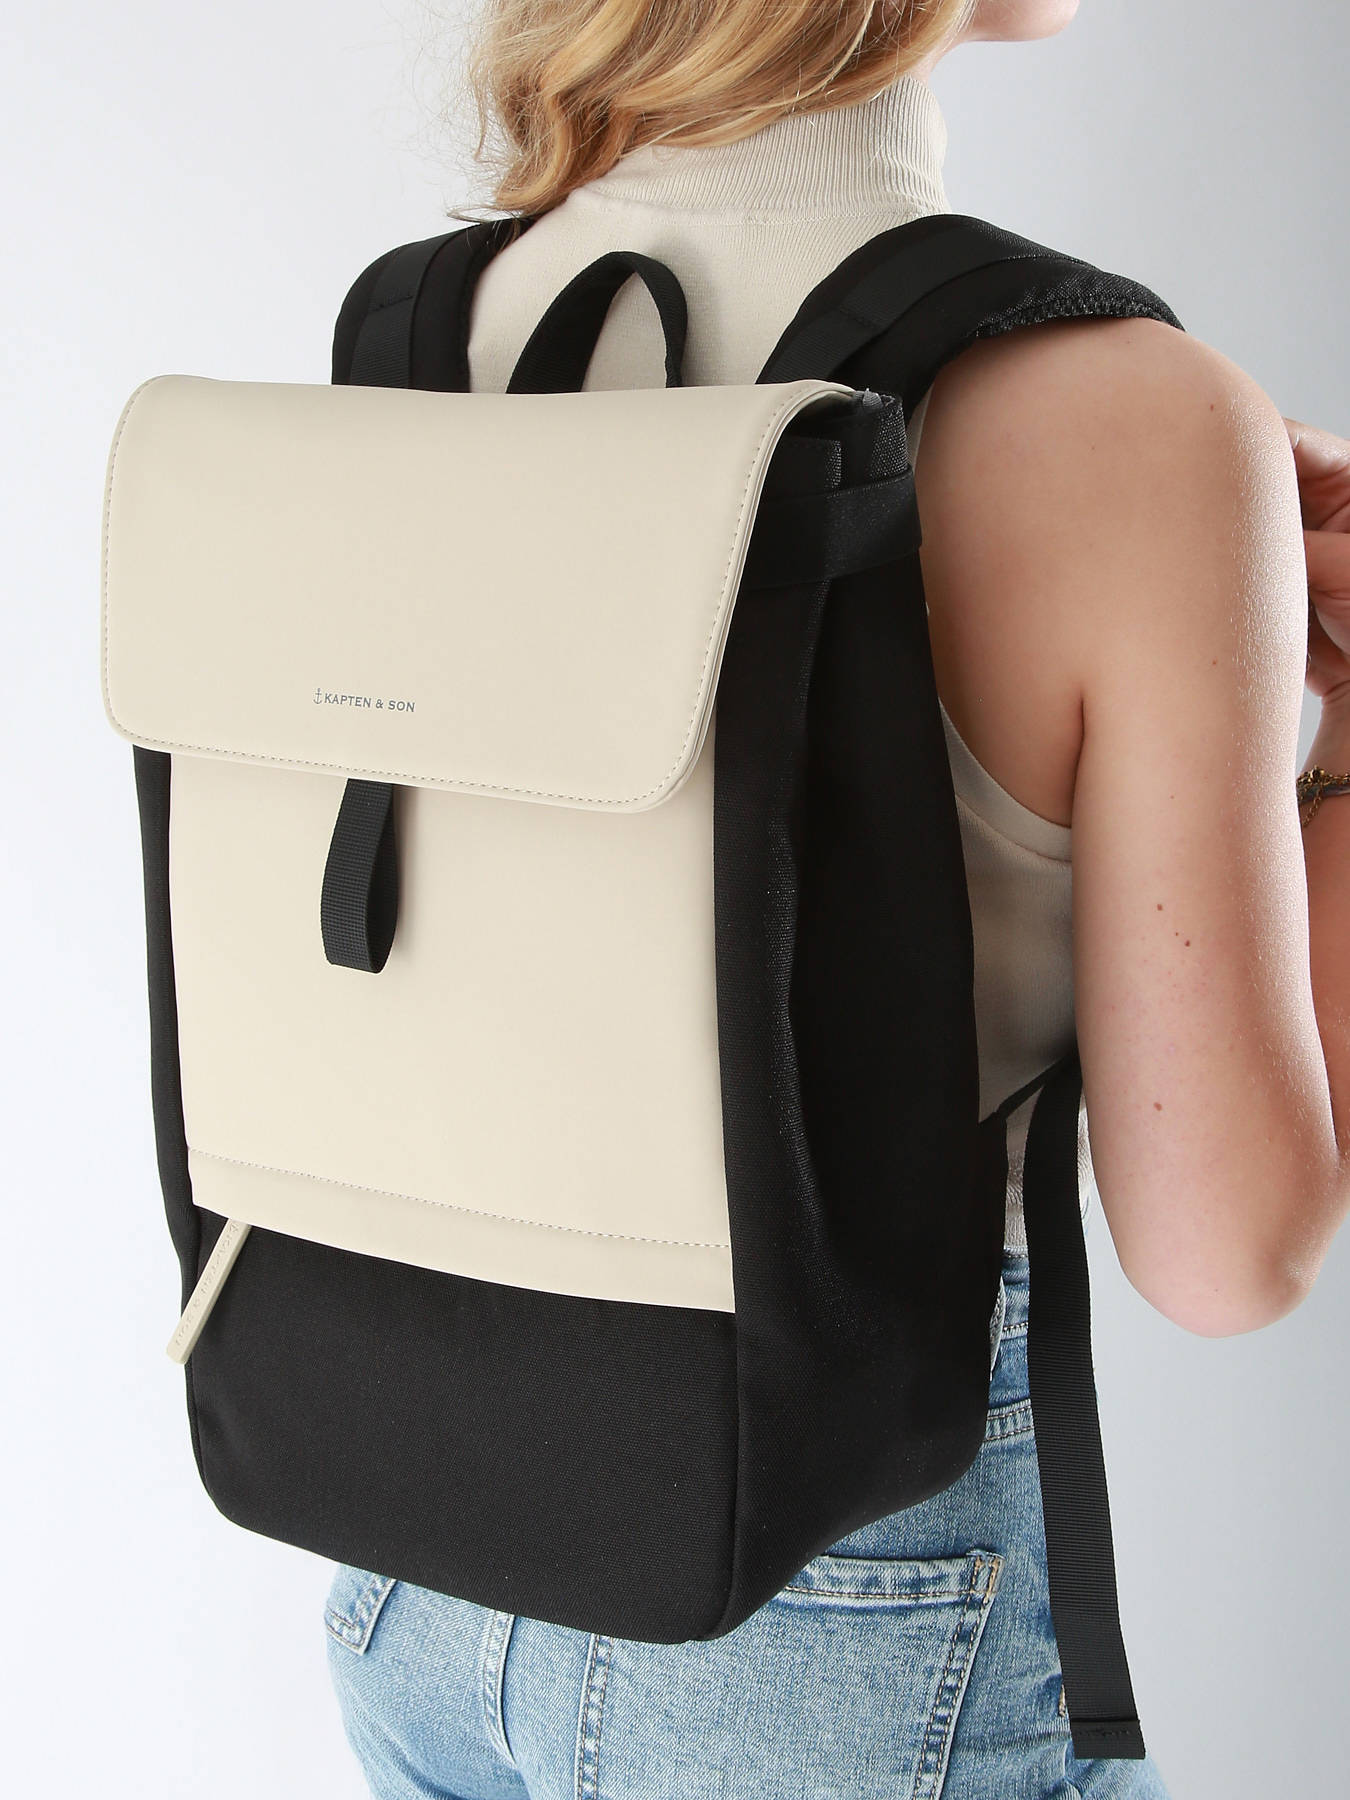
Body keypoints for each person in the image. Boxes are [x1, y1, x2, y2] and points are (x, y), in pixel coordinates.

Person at [324, 2, 1350, 1794]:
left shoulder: (423, 325)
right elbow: (1225, 1253)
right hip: (843, 1601)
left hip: (415, 1533)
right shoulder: (1121, 413)